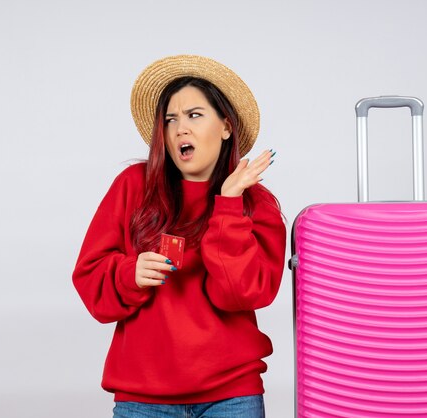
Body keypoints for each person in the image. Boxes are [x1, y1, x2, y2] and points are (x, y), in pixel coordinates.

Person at [72, 55, 286, 418]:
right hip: (143, 399)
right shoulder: (133, 186)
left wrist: (229, 205)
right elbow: (91, 282)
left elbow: (241, 294)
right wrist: (129, 273)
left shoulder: (255, 203)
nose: (179, 129)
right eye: (170, 119)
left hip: (232, 396)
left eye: (194, 115)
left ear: (226, 127)